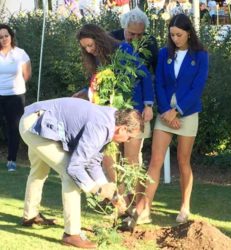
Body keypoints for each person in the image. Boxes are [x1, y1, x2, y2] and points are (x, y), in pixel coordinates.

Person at [19, 97, 142, 248]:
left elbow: (93, 162)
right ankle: (71, 234)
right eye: (129, 137)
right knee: (71, 177)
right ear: (122, 128)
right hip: (35, 124)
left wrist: (111, 192)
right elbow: (75, 168)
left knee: (39, 171)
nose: (127, 141)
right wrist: (97, 190)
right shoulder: (101, 126)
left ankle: (30, 216)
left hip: (37, 118)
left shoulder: (110, 120)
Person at [134, 14, 208, 224]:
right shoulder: (165, 53)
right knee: (155, 161)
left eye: (179, 34)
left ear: (189, 33)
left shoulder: (201, 56)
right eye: (172, 35)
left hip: (188, 113)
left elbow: (197, 87)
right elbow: (159, 84)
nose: (175, 38)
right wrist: (166, 110)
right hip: (165, 115)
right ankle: (145, 209)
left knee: (183, 161)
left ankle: (185, 207)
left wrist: (178, 111)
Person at [75, 24, 154, 191]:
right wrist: (83, 92)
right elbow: (97, 83)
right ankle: (118, 197)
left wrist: (148, 105)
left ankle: (134, 200)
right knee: (108, 156)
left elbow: (144, 75)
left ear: (100, 39)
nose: (89, 50)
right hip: (108, 114)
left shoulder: (123, 49)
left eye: (90, 45)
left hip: (132, 110)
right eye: (85, 47)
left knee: (131, 158)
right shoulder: (95, 58)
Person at [0, 24, 31, 172]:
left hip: (15, 96)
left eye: (6, 35)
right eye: (1, 37)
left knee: (14, 128)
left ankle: (11, 160)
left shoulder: (20, 53)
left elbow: (27, 75)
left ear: (11, 36)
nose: (4, 39)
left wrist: (16, 86)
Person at [110, 8, 159, 74]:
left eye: (139, 34)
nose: (135, 38)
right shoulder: (112, 38)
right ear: (124, 27)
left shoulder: (150, 42)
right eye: (132, 34)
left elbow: (157, 69)